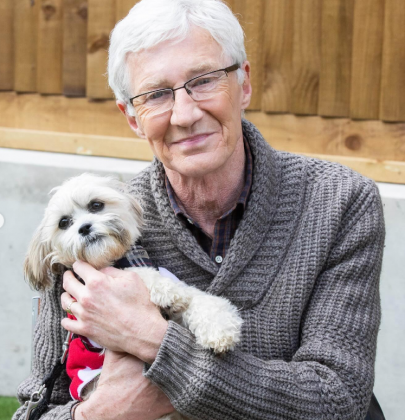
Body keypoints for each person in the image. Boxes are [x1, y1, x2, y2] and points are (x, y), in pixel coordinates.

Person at [13, 0, 385, 419]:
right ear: (132, 117)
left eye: (204, 80)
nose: (185, 114)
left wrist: (157, 346)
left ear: (244, 84)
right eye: (156, 94)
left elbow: (337, 402)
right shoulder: (90, 233)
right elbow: (34, 411)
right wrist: (101, 413)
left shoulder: (339, 202)